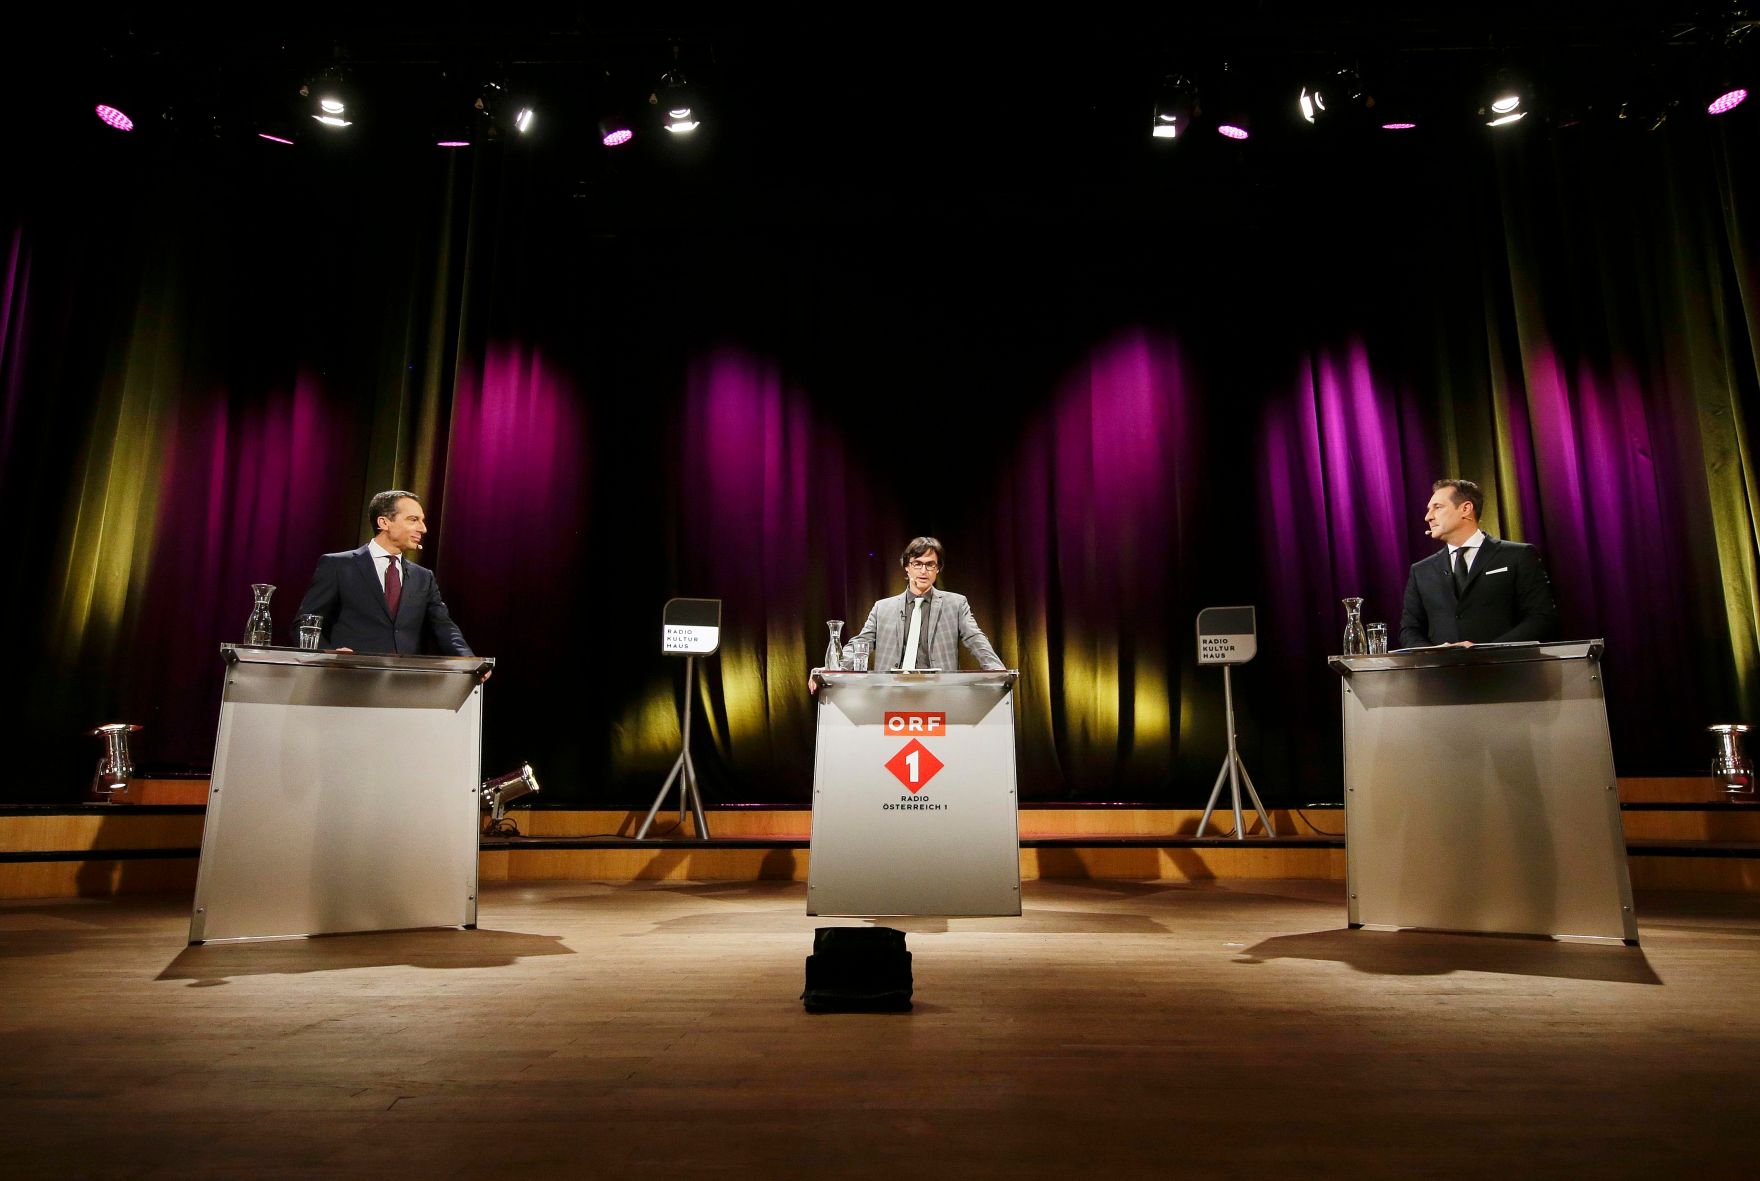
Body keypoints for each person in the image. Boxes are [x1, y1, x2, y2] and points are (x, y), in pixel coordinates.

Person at [295, 490, 474, 658]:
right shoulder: (339, 565)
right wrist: (329, 655)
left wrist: (468, 659)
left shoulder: (424, 577)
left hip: (402, 682)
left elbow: (443, 625)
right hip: (349, 678)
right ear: (384, 523)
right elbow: (303, 624)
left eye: (422, 520)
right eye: (413, 520)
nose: (423, 528)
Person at [1398, 478, 1559, 649]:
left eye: (1437, 507)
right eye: (1429, 509)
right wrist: (1432, 654)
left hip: (1506, 670)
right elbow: (1409, 629)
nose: (1428, 516)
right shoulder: (1421, 570)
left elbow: (1541, 617)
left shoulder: (1517, 556)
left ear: (1466, 509)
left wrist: (1485, 651)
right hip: (1442, 673)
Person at [834, 537, 1005, 675]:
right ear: (907, 567)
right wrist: (833, 669)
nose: (924, 571)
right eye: (917, 563)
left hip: (939, 692)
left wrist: (997, 669)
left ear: (938, 569)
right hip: (890, 692)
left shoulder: (956, 604)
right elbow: (861, 643)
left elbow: (975, 639)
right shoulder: (882, 608)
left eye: (930, 564)